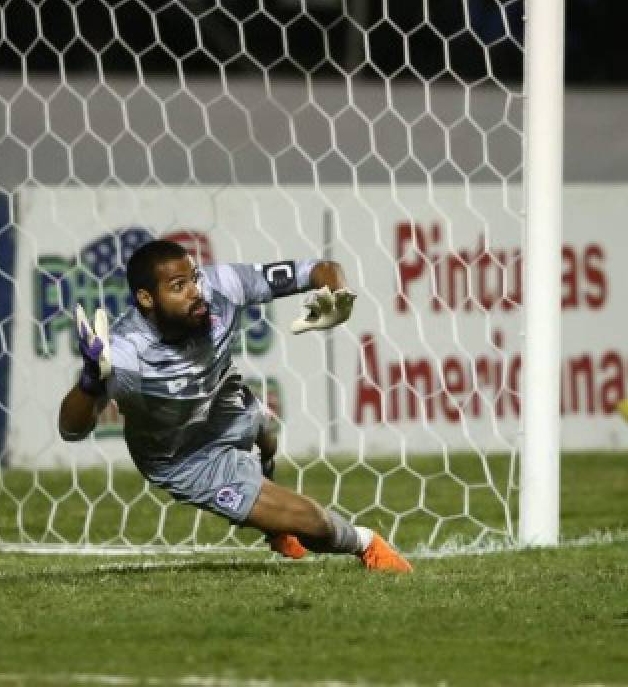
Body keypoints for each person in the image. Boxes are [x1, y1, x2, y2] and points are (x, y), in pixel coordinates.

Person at [56, 239, 411, 572]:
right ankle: (366, 544)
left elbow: (319, 268)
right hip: (185, 457)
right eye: (178, 287)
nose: (195, 291)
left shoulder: (222, 285)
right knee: (313, 524)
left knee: (268, 436)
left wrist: (336, 293)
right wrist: (90, 382)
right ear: (147, 299)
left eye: (193, 277)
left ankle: (274, 524)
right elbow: (70, 430)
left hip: (226, 404)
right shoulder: (127, 353)